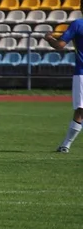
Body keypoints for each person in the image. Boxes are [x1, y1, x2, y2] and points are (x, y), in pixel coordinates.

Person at [44, 18, 83, 153]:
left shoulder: (78, 24)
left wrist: (49, 38)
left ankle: (66, 145)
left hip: (82, 73)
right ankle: (65, 145)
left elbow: (59, 45)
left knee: (80, 110)